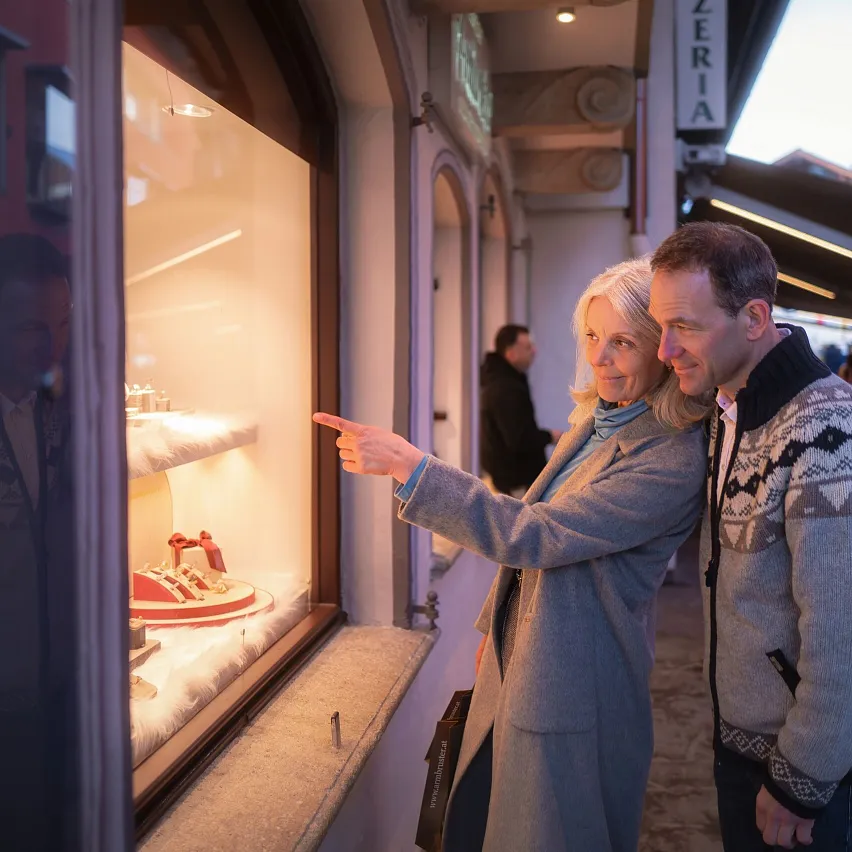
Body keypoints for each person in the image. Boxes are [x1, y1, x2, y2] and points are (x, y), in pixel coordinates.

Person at [315, 257, 711, 851]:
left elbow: (536, 533)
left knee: (548, 830)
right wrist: (495, 628)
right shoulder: (598, 422)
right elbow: (533, 540)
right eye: (592, 336)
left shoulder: (670, 458)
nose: (600, 358)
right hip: (527, 655)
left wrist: (411, 466)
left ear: (663, 349)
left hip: (576, 679)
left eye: (623, 342)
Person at [649, 221, 852, 851]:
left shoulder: (827, 429)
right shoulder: (727, 406)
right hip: (739, 741)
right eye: (659, 326)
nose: (664, 349)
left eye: (684, 326)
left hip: (802, 766)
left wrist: (803, 778)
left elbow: (842, 628)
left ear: (756, 318)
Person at [0, 232, 75, 849]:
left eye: (62, 324)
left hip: (53, 682)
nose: (52, 346)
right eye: (31, 328)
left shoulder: (60, 406)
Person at [480, 324, 561, 496]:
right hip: (516, 484)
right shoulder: (505, 388)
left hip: (513, 480)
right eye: (528, 347)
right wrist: (550, 436)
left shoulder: (504, 381)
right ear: (511, 353)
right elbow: (518, 439)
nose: (534, 351)